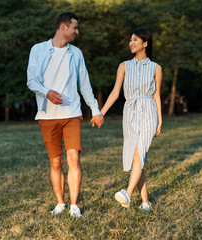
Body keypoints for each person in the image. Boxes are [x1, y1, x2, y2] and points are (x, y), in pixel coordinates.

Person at [27, 12, 104, 218]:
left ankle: (75, 205)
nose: (77, 32)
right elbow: (31, 81)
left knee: (73, 159)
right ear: (63, 27)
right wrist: (47, 92)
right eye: (74, 28)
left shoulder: (76, 53)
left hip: (71, 113)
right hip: (47, 115)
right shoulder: (38, 50)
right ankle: (60, 203)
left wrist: (95, 110)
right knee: (56, 162)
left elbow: (85, 84)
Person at [100, 28, 162, 212]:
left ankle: (127, 193)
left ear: (145, 43)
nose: (131, 43)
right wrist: (100, 112)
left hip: (149, 111)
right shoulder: (123, 66)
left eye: (135, 40)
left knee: (139, 153)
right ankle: (145, 202)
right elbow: (115, 92)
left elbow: (157, 95)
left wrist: (160, 120)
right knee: (137, 156)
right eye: (130, 40)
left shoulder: (156, 68)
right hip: (130, 113)